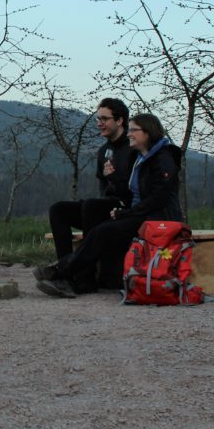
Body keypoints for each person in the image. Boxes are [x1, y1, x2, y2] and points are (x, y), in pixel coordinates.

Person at [35, 113, 183, 298]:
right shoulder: (140, 158)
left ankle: (61, 272)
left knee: (102, 232)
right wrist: (113, 180)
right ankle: (72, 276)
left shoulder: (163, 158)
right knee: (99, 228)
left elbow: (158, 199)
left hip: (159, 220)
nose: (129, 134)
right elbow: (131, 193)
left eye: (134, 130)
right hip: (141, 214)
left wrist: (127, 213)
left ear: (148, 132)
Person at [46, 98, 135, 291]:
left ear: (120, 120)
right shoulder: (104, 151)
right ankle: (66, 271)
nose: (99, 123)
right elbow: (103, 185)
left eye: (105, 119)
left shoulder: (133, 148)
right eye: (98, 119)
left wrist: (115, 178)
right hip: (104, 206)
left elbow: (137, 189)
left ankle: (85, 278)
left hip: (126, 209)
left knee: (92, 206)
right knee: (58, 210)